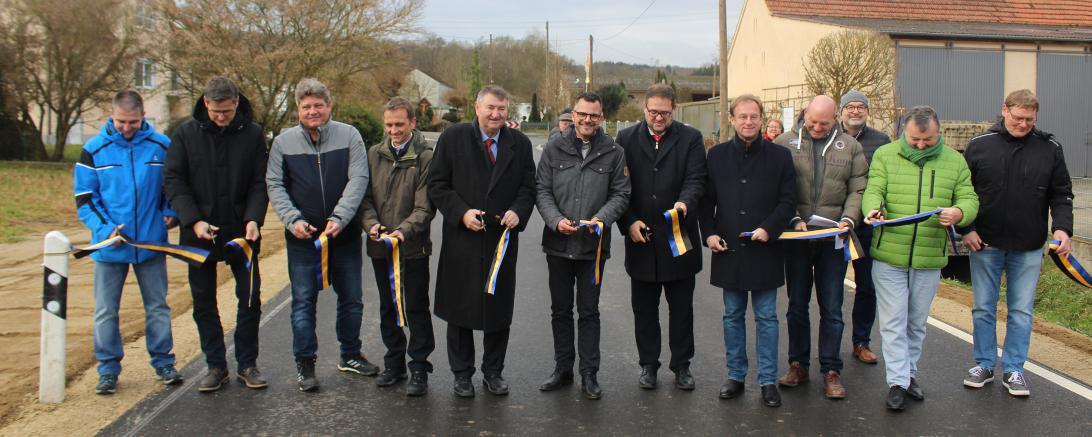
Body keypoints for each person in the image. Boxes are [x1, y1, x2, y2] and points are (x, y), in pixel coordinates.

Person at [861, 105, 978, 410]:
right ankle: (897, 382)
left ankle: (909, 373)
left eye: (927, 140)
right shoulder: (885, 155)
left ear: (937, 133)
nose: (921, 145)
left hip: (929, 256)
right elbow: (873, 190)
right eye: (915, 140)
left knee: (916, 322)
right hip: (889, 255)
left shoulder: (955, 161)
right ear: (904, 131)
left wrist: (960, 212)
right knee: (893, 320)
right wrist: (872, 209)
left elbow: (968, 197)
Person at [961, 89, 1074, 397]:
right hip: (985, 243)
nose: (1024, 124)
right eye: (1019, 118)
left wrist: (1063, 229)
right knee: (983, 308)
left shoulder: (1049, 148)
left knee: (1021, 310)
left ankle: (1014, 370)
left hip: (1028, 245)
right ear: (1005, 111)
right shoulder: (980, 146)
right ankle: (984, 364)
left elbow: (1061, 193)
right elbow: (962, 192)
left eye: (1030, 120)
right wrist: (966, 228)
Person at [267, 78, 376, 392]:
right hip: (302, 238)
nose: (313, 111)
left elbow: (358, 179)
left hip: (343, 236)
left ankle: (350, 354)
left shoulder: (350, 136)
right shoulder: (283, 143)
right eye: (306, 106)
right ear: (298, 110)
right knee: (303, 302)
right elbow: (275, 185)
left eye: (318, 105)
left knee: (352, 299)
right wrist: (292, 220)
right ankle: (305, 364)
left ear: (329, 106)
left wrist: (341, 217)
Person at [428, 85, 536, 398]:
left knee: (497, 310)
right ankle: (462, 375)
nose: (496, 114)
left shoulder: (520, 144)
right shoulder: (453, 138)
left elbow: (529, 188)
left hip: (500, 242)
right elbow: (437, 184)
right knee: (460, 310)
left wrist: (518, 210)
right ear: (477, 107)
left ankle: (493, 372)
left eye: (502, 109)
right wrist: (460, 213)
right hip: (462, 239)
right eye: (490, 107)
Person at [165, 76, 269, 392]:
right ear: (205, 103)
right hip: (199, 233)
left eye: (226, 111)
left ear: (236, 103)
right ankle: (215, 365)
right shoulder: (184, 134)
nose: (220, 117)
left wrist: (254, 218)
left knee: (249, 298)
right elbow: (174, 180)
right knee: (203, 302)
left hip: (242, 232)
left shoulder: (252, 135)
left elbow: (259, 182)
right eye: (215, 111)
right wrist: (192, 220)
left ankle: (247, 364)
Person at [75, 90, 181, 395]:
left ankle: (163, 362)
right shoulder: (93, 151)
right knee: (106, 311)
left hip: (151, 244)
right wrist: (105, 229)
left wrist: (170, 213)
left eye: (133, 122)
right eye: (121, 121)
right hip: (110, 248)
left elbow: (172, 187)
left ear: (143, 115)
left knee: (158, 307)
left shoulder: (162, 146)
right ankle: (108, 369)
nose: (127, 127)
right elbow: (84, 199)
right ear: (112, 115)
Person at [700, 94, 796, 407]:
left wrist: (770, 228)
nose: (748, 122)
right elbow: (706, 202)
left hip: (765, 249)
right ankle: (735, 375)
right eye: (742, 116)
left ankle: (768, 380)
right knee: (732, 316)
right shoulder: (715, 156)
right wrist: (709, 234)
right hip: (729, 249)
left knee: (767, 317)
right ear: (731, 119)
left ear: (761, 117)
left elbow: (787, 201)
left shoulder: (780, 157)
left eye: (754, 116)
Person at [535, 92, 631, 400]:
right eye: (582, 114)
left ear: (601, 118)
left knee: (588, 311)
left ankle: (589, 373)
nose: (588, 120)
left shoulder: (614, 152)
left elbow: (621, 194)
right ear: (573, 116)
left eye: (594, 115)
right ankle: (563, 369)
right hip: (558, 244)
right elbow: (542, 190)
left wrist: (601, 219)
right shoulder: (553, 149)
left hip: (593, 247)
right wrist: (554, 220)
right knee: (560, 310)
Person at [772, 95, 867, 399]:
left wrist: (850, 219)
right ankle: (798, 364)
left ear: (835, 118)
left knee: (832, 307)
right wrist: (792, 218)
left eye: (824, 123)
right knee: (797, 305)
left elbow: (858, 187)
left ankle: (831, 369)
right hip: (797, 238)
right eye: (812, 121)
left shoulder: (850, 146)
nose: (816, 127)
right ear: (805, 115)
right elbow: (777, 187)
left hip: (833, 239)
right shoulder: (785, 143)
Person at [615, 83, 706, 390]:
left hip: (678, 240)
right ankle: (648, 365)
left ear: (674, 110)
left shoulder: (691, 139)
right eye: (653, 111)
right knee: (644, 310)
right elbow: (619, 188)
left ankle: (682, 365)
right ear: (645, 109)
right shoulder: (625, 139)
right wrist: (628, 222)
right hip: (641, 240)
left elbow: (696, 179)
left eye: (664, 112)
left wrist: (685, 204)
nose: (658, 117)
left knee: (681, 310)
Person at [359, 97, 437, 397]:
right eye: (389, 124)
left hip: (412, 247)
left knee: (416, 306)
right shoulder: (373, 154)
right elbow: (364, 198)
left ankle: (419, 366)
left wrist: (403, 232)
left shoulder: (426, 157)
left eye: (400, 124)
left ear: (413, 123)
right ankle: (394, 363)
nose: (394, 130)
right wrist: (371, 225)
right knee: (387, 306)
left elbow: (425, 206)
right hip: (381, 246)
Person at [839, 90, 892, 365]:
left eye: (861, 107)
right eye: (851, 107)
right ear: (842, 111)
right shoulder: (830, 137)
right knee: (832, 286)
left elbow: (887, 179)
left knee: (867, 286)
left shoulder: (881, 141)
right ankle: (831, 343)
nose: (856, 111)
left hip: (868, 225)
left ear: (868, 112)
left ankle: (861, 341)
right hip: (837, 224)